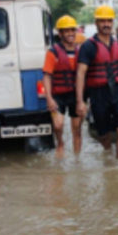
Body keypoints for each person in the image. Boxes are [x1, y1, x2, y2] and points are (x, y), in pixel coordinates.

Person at [76, 5, 118, 160]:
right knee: (104, 135)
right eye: (102, 21)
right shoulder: (88, 46)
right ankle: (107, 157)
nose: (106, 24)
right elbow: (81, 73)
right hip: (99, 94)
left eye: (109, 21)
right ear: (96, 23)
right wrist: (80, 101)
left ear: (112, 23)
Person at [42, 15, 82, 156]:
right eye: (66, 31)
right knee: (58, 125)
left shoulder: (80, 51)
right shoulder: (53, 52)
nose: (71, 33)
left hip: (75, 95)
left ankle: (77, 159)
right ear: (60, 34)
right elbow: (47, 75)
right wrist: (49, 98)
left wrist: (82, 100)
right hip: (58, 94)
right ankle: (60, 143)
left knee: (77, 129)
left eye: (72, 30)